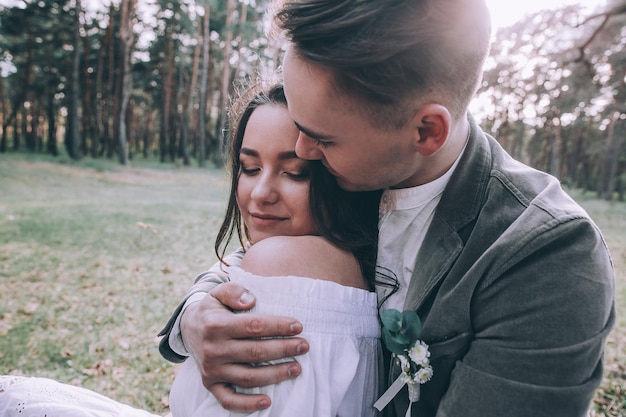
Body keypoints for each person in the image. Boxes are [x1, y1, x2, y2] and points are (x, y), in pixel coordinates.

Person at [158, 1, 616, 416]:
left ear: (425, 132)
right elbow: (264, 261)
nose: (304, 150)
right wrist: (196, 314)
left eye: (323, 137)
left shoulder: (546, 255)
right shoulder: (354, 169)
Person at [166, 82, 387, 417]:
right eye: (250, 168)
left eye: (295, 173)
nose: (261, 193)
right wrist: (192, 312)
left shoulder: (282, 262)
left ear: (341, 178)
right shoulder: (337, 260)